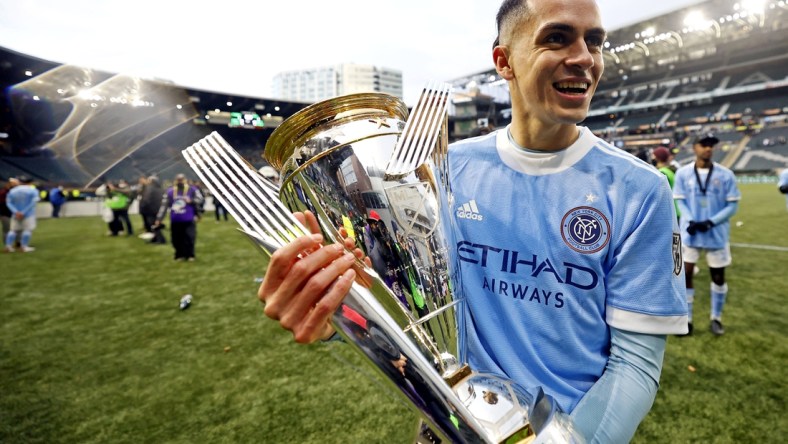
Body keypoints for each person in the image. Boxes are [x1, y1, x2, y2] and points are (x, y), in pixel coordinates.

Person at [257, 1, 687, 442]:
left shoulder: (640, 190)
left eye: (594, 41)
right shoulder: (444, 170)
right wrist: (331, 308)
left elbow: (634, 364)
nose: (584, 57)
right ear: (504, 61)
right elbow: (405, 301)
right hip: (446, 430)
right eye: (557, 38)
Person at [674, 133, 741, 336]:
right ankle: (687, 320)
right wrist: (691, 219)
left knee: (718, 276)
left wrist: (711, 221)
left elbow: (732, 205)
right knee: (686, 275)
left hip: (716, 233)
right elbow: (679, 199)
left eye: (711, 145)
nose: (708, 148)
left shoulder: (726, 174)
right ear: (694, 147)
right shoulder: (683, 174)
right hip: (691, 232)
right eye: (704, 144)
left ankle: (716, 318)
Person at [155, 174, 204, 261]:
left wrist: (191, 201)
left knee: (189, 237)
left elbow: (200, 199)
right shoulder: (170, 191)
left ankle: (190, 255)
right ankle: (179, 255)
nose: (180, 181)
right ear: (175, 180)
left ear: (185, 180)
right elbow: (164, 206)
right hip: (175, 220)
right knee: (176, 239)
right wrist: (159, 219)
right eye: (178, 180)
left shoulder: (192, 189)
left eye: (182, 179)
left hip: (188, 219)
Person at [4, 176, 39, 253]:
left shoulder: (13, 191)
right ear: (30, 182)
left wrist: (15, 212)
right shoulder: (33, 190)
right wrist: (23, 212)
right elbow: (33, 203)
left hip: (15, 214)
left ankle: (8, 246)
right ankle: (24, 246)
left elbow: (8, 202)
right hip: (28, 214)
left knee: (13, 230)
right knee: (27, 230)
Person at [653, 146, 680, 221]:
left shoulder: (662, 173)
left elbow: (661, 195)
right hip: (676, 209)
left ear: (657, 158)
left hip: (669, 212)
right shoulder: (670, 170)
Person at [138, 175, 166, 244]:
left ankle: (160, 239)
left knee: (153, 225)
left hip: (150, 210)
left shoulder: (150, 188)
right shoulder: (159, 188)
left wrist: (143, 207)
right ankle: (155, 238)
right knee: (155, 224)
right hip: (157, 209)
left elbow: (146, 199)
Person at [0, 178, 19, 243]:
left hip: (14, 213)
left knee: (17, 229)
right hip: (5, 213)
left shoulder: (15, 192)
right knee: (7, 229)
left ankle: (18, 243)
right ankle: (7, 245)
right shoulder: (3, 192)